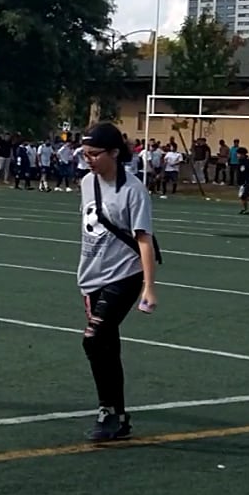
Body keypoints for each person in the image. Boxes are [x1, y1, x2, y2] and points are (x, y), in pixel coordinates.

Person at [75, 123, 159, 442]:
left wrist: (149, 287)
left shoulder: (133, 190)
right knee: (107, 346)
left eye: (95, 154)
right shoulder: (86, 183)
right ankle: (117, 416)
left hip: (125, 275)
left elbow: (144, 240)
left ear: (113, 153)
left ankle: (107, 409)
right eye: (85, 155)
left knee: (93, 339)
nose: (89, 160)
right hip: (91, 276)